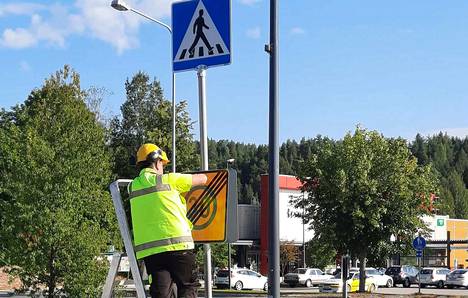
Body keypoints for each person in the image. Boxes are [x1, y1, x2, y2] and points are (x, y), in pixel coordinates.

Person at [129, 143, 207, 298]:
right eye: (163, 164)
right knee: (187, 287)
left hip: (152, 252)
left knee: (161, 293)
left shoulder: (132, 187)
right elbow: (203, 179)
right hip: (179, 245)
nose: (163, 167)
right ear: (157, 162)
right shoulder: (169, 180)